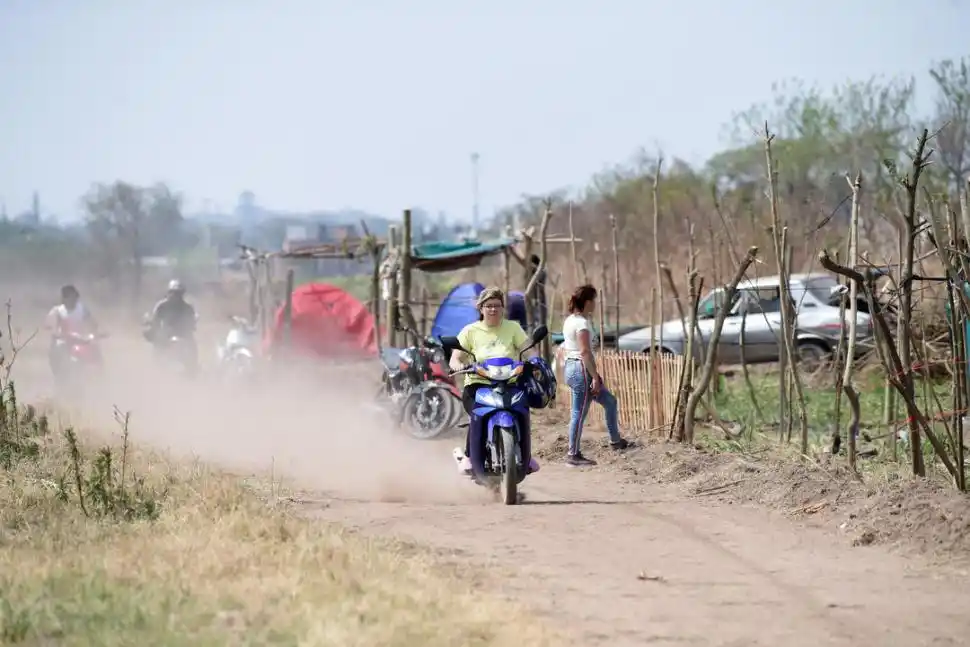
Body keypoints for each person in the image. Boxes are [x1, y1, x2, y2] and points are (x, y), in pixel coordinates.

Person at [449, 287, 541, 481]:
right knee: (478, 413)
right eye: (488, 306)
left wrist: (534, 361)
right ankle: (470, 457)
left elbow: (529, 351)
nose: (493, 310)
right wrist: (458, 365)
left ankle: (525, 455)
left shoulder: (513, 328)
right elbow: (455, 358)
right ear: (480, 308)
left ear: (502, 308)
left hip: (510, 382)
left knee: (522, 410)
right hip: (478, 384)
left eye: (497, 306)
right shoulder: (470, 331)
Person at [560, 284, 632, 466]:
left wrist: (595, 375)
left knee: (610, 402)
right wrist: (594, 377)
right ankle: (573, 454)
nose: (595, 305)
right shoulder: (581, 324)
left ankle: (616, 441)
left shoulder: (571, 320)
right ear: (588, 301)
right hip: (581, 370)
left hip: (574, 367)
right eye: (594, 301)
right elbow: (584, 352)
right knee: (579, 412)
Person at [45, 284, 99, 380]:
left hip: (81, 340)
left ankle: (98, 377)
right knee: (58, 352)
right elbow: (50, 326)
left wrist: (94, 333)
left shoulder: (82, 309)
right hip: (64, 341)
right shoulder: (57, 311)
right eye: (70, 297)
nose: (73, 300)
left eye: (74, 297)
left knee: (95, 351)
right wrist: (57, 333)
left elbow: (92, 323)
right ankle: (60, 378)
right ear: (64, 299)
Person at [145, 279, 198, 368]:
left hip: (183, 334)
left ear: (182, 294)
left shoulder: (188, 307)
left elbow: (192, 321)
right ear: (168, 293)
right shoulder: (161, 306)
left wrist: (191, 326)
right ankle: (155, 367)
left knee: (192, 347)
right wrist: (152, 329)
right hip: (166, 334)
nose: (175, 296)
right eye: (173, 293)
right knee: (156, 347)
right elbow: (155, 320)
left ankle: (193, 367)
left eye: (178, 293)